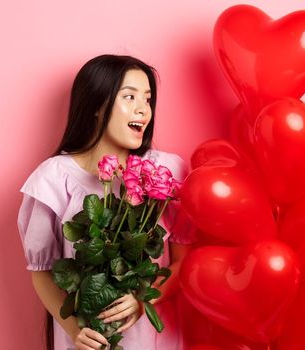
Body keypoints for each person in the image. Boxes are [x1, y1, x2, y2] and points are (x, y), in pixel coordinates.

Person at [17, 54, 195, 350]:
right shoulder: (54, 178)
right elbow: (42, 272)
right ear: (98, 105)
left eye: (148, 100)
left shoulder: (168, 172)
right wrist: (75, 330)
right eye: (130, 97)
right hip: (90, 341)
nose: (143, 109)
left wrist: (144, 299)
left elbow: (183, 262)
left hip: (151, 339)